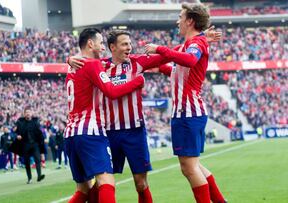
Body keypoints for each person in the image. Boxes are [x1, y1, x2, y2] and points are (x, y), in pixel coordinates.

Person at [68, 28, 221, 203]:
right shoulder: (101, 65)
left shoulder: (137, 62)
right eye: (125, 44)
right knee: (102, 182)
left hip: (135, 132)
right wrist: (70, 59)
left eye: (130, 44)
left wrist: (200, 40)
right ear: (112, 47)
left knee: (141, 183)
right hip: (109, 133)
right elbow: (83, 63)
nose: (129, 47)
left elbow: (168, 56)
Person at [145, 3, 226, 203]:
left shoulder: (196, 44)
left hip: (189, 113)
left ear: (190, 20)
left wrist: (159, 48)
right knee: (193, 166)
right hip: (186, 113)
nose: (177, 21)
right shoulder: (190, 44)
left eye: (180, 16)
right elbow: (176, 68)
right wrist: (153, 67)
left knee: (189, 167)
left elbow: (189, 60)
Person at [64, 28, 145, 203]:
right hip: (90, 131)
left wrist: (68, 58)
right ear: (90, 43)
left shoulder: (71, 66)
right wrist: (137, 82)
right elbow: (112, 92)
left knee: (83, 189)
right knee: (106, 181)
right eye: (101, 43)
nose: (103, 47)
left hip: (70, 134)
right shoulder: (92, 64)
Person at [11, 107, 45, 184]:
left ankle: (39, 176)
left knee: (37, 159)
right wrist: (17, 135)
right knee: (27, 162)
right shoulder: (20, 122)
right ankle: (29, 178)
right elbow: (13, 131)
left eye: (29, 112)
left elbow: (39, 133)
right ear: (24, 114)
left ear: (31, 113)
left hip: (35, 144)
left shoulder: (35, 121)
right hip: (25, 144)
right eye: (26, 112)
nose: (28, 113)